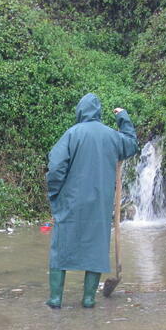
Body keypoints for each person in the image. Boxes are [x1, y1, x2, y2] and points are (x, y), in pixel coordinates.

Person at [46, 93, 138, 309]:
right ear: (98, 112)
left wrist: (55, 193)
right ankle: (88, 299)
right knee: (96, 247)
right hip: (100, 204)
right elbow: (131, 144)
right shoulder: (112, 136)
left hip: (71, 200)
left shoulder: (72, 134)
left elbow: (56, 167)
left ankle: (56, 299)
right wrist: (123, 118)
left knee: (61, 246)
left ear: (80, 111)